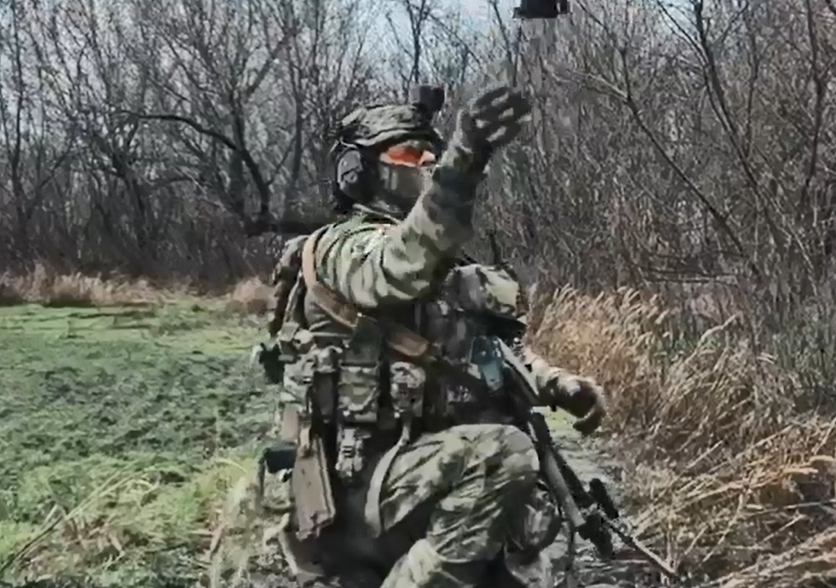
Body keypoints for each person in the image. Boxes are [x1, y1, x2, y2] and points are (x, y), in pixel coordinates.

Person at [257, 84, 607, 588]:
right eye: (407, 153)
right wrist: (463, 161)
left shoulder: (444, 265)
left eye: (432, 154)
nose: (424, 161)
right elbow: (396, 268)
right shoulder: (341, 249)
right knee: (502, 455)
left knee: (537, 536)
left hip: (433, 473)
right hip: (361, 487)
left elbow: (489, 355)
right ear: (359, 172)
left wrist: (558, 384)